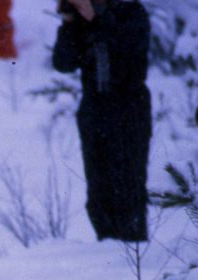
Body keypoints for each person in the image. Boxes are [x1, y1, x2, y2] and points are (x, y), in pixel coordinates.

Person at [53, 0, 152, 242]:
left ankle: (133, 250)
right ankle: (106, 247)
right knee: (99, 192)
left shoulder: (131, 11)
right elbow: (63, 63)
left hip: (129, 108)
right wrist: (69, 22)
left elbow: (127, 58)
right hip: (95, 109)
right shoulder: (82, 21)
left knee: (128, 186)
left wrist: (96, 19)